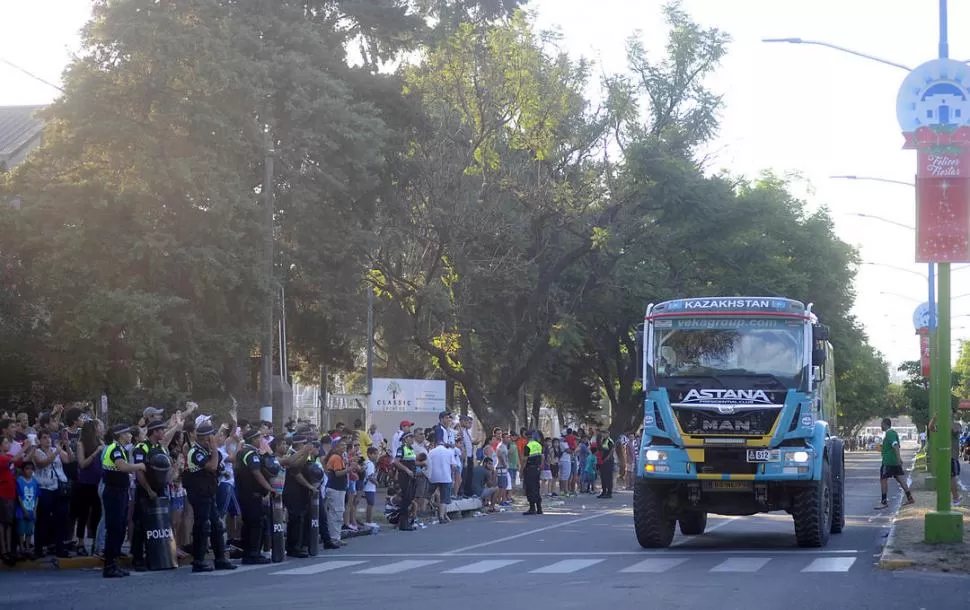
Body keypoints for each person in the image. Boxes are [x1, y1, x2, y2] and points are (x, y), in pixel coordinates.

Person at [185, 423, 236, 572]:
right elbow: (212, 466)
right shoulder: (195, 452)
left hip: (209, 492)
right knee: (202, 526)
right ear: (206, 438)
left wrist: (214, 451)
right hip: (198, 494)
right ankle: (198, 560)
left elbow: (219, 468)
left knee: (216, 525)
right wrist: (214, 449)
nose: (215, 438)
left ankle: (220, 558)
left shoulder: (208, 451)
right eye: (212, 436)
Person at [101, 424, 145, 578]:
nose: (130, 435)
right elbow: (122, 467)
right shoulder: (115, 449)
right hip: (114, 492)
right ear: (120, 435)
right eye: (127, 433)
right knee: (114, 528)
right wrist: (139, 465)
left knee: (120, 527)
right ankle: (110, 565)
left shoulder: (121, 448)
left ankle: (114, 563)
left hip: (120, 491)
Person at [234, 429, 274, 564]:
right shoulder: (251, 454)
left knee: (249, 524)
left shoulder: (241, 452)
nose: (261, 440)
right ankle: (254, 553)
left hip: (244, 493)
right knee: (256, 524)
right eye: (258, 438)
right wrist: (270, 488)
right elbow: (256, 473)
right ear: (253, 440)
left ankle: (248, 553)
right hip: (252, 494)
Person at [876, 418, 914, 509]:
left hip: (889, 462)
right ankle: (910, 497)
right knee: (900, 479)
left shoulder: (890, 433)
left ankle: (884, 501)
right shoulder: (891, 434)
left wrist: (899, 458)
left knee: (883, 479)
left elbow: (895, 445)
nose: (881, 426)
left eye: (881, 424)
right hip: (893, 461)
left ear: (885, 424)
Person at [929, 413, 963, 505]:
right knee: (949, 477)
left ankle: (955, 497)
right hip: (944, 455)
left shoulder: (956, 425)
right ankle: (954, 497)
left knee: (953, 476)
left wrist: (948, 421)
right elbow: (931, 428)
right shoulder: (942, 426)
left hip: (952, 455)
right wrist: (935, 418)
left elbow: (956, 430)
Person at [393, 430, 417, 531]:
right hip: (405, 477)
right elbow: (396, 462)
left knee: (409, 500)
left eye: (412, 437)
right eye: (410, 437)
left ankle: (406, 522)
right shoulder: (401, 449)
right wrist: (407, 470)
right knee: (405, 500)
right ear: (405, 439)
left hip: (412, 477)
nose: (412, 439)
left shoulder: (411, 449)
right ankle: (403, 524)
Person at [522, 432, 543, 515]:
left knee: (530, 488)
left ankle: (532, 508)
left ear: (527, 437)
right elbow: (541, 457)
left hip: (529, 469)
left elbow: (525, 460)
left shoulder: (528, 446)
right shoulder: (538, 445)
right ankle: (539, 508)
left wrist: (521, 470)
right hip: (537, 469)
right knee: (536, 487)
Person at [597, 430, 615, 499]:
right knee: (603, 477)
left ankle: (609, 493)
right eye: (602, 433)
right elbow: (601, 450)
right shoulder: (603, 440)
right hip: (603, 461)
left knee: (609, 477)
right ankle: (604, 491)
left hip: (608, 461)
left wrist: (607, 458)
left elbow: (612, 450)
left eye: (604, 433)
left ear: (608, 433)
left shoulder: (610, 441)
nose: (603, 435)